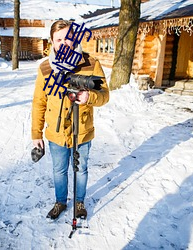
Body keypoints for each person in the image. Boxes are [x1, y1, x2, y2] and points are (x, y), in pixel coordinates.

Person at [31, 20, 109, 220]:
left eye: (68, 38)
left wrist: (89, 97)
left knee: (81, 168)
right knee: (59, 170)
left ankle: (80, 202)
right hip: (56, 133)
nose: (64, 43)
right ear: (52, 42)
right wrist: (36, 134)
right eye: (59, 39)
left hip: (82, 130)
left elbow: (104, 95)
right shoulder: (45, 68)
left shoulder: (91, 63)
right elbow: (39, 102)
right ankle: (60, 202)